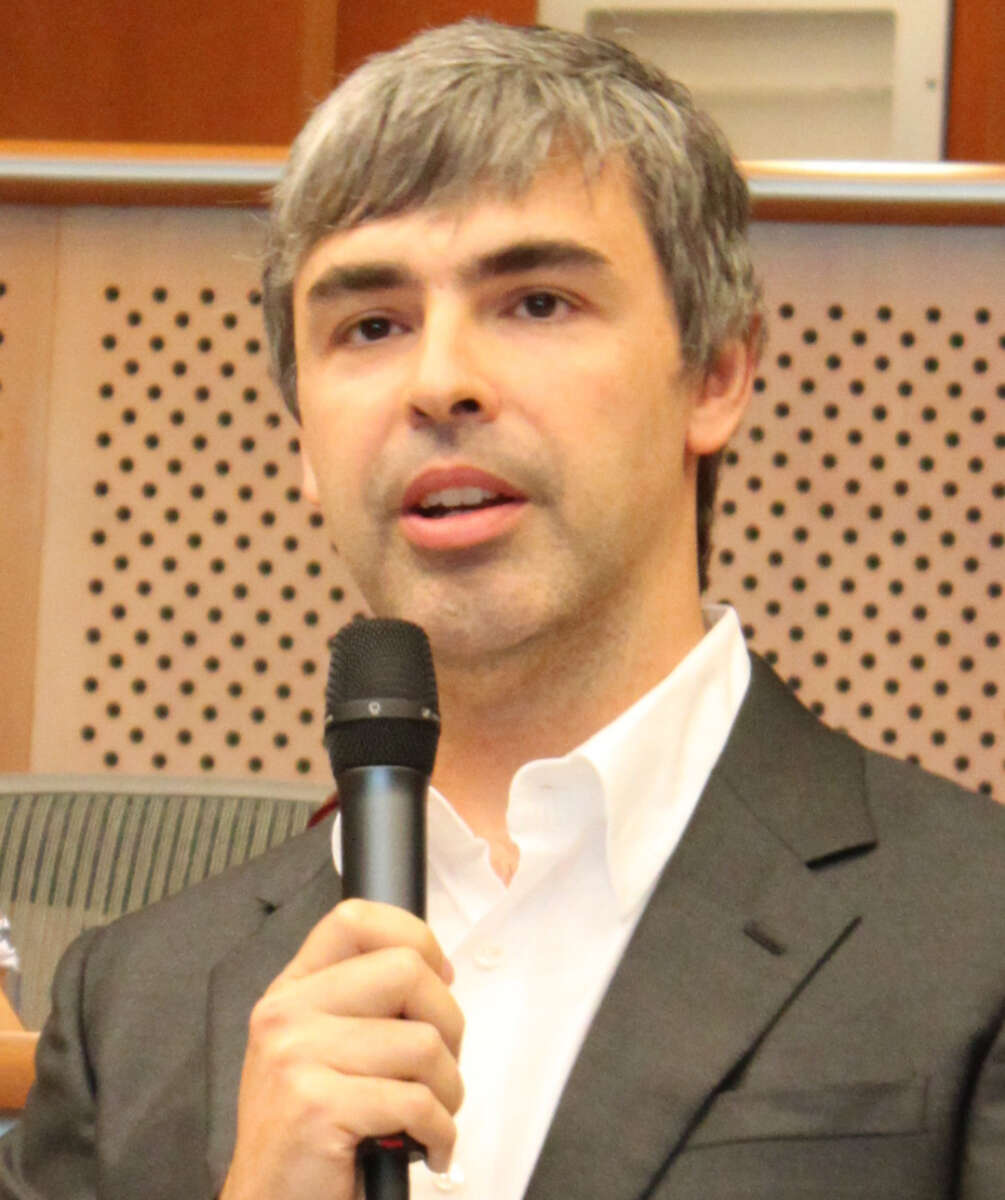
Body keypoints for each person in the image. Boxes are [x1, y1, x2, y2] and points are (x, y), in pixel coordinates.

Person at [2, 19, 1003, 1200]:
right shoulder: (132, 1008)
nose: (440, 382)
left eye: (536, 301)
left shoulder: (972, 935)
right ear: (306, 445)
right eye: (370, 325)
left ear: (717, 374)